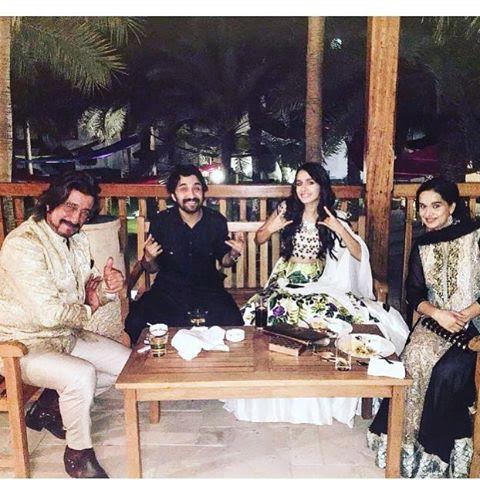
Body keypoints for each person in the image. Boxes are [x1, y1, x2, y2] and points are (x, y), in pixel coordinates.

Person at [223, 162, 409, 426]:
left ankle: (322, 386)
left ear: (321, 186)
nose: (304, 188)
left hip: (320, 282)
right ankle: (267, 383)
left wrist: (338, 228)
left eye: (310, 182)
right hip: (285, 281)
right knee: (263, 316)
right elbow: (260, 238)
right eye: (299, 183)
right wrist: (272, 227)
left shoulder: (332, 216)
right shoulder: (287, 210)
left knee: (327, 319)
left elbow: (358, 253)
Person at [0, 172, 131, 478]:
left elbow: (90, 291)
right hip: (19, 345)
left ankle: (49, 406)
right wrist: (91, 306)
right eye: (70, 207)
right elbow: (49, 314)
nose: (76, 218)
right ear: (50, 203)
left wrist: (109, 287)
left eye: (84, 212)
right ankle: (78, 455)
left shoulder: (77, 239)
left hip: (64, 336)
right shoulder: (24, 245)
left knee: (129, 367)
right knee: (81, 375)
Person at [368, 177, 480, 478]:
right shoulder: (422, 245)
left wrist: (466, 314)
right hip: (436, 324)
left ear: (451, 206)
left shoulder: (476, 236)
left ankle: (436, 456)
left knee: (447, 373)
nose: (427, 213)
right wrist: (439, 314)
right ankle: (405, 450)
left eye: (436, 206)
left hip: (474, 328)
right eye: (422, 207)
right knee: (413, 359)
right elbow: (414, 293)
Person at [125, 164, 244, 343]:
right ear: (174, 196)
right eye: (183, 189)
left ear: (203, 192)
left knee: (235, 325)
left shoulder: (216, 221)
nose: (191, 194)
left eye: (197, 188)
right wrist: (148, 258)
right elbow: (151, 268)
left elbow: (225, 261)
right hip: (169, 291)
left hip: (209, 290)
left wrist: (234, 253)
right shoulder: (162, 222)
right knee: (135, 322)